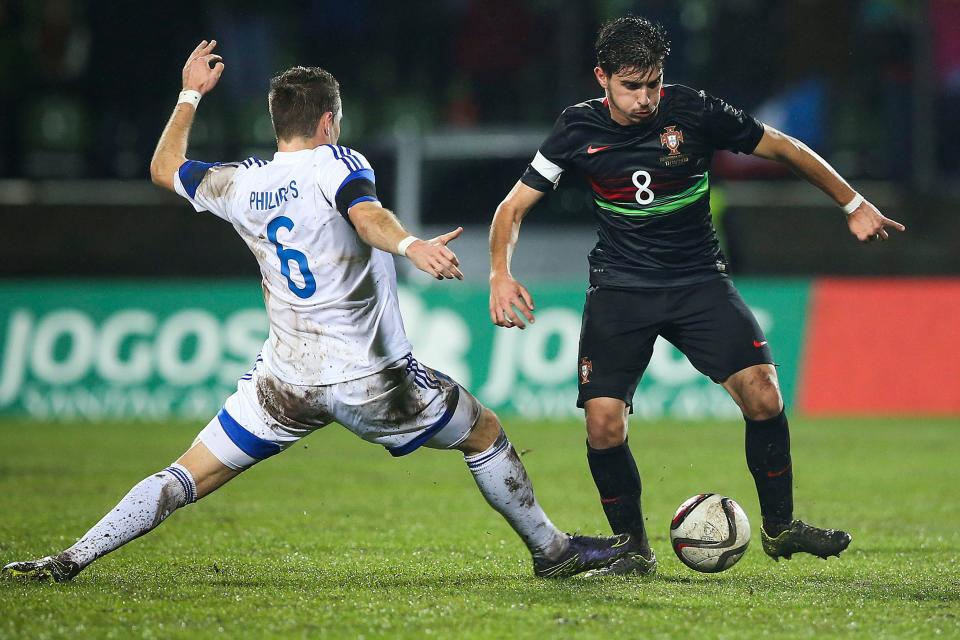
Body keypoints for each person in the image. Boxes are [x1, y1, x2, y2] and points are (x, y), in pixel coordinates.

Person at [3, 40, 638, 583]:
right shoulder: (339, 162)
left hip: (284, 381)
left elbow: (163, 168)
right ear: (330, 121)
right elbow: (366, 216)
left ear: (277, 120)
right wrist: (412, 244)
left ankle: (72, 556)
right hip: (370, 378)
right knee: (484, 432)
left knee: (184, 475)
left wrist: (190, 95)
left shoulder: (240, 181)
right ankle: (551, 552)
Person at [489, 16, 903, 576]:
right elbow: (512, 209)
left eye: (653, 83)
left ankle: (780, 528)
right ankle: (631, 549)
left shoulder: (695, 112)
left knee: (764, 395)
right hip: (620, 288)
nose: (644, 99)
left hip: (697, 282)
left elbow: (781, 147)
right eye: (631, 86)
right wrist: (499, 272)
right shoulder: (574, 130)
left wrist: (852, 203)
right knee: (604, 424)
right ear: (602, 79)